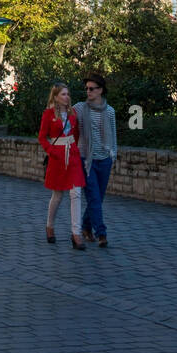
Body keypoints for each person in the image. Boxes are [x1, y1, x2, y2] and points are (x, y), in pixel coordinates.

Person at [38, 82, 86, 250]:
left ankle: (76, 233)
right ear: (56, 97)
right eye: (63, 94)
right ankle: (50, 226)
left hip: (72, 155)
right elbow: (42, 137)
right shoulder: (48, 114)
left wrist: (77, 151)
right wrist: (51, 151)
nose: (67, 97)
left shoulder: (72, 113)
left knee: (76, 193)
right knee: (57, 196)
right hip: (58, 156)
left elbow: (76, 133)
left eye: (68, 94)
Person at [74, 71, 118, 248]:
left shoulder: (109, 112)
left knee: (98, 199)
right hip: (86, 160)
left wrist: (112, 154)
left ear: (101, 90)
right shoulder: (79, 108)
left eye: (92, 89)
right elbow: (64, 117)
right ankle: (101, 233)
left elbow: (113, 135)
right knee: (93, 197)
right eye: (86, 89)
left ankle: (85, 227)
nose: (88, 92)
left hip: (104, 159)